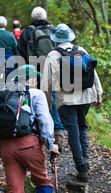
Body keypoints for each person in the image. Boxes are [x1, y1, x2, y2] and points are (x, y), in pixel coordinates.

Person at [0, 64, 59, 193]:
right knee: (42, 180)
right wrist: (52, 145)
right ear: (32, 79)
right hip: (30, 145)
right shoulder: (36, 94)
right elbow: (44, 120)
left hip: (7, 148)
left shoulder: (4, 93)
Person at [42, 23, 103, 183]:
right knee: (82, 126)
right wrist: (98, 95)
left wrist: (47, 104)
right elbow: (94, 74)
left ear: (56, 39)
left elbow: (47, 84)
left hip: (65, 100)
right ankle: (85, 158)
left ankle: (82, 169)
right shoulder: (81, 50)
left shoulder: (52, 55)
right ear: (70, 37)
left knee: (73, 131)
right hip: (84, 97)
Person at [17, 7, 65, 151]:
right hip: (52, 70)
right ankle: (58, 133)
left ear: (32, 18)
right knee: (53, 99)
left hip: (33, 71)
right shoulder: (54, 30)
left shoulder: (27, 32)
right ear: (46, 16)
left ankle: (31, 130)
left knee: (32, 98)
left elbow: (19, 55)